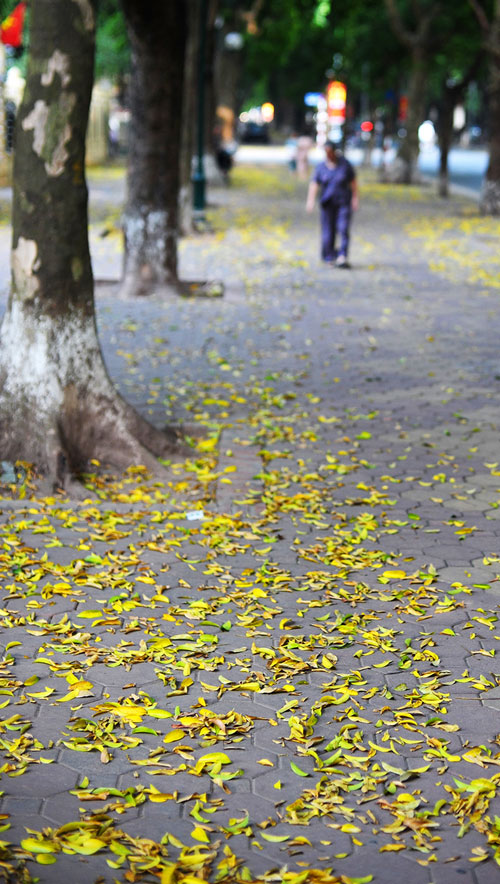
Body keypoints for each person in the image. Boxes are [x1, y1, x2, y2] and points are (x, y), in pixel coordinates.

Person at [306, 140, 359, 267]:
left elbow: (353, 183)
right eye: (326, 152)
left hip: (343, 202)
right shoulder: (321, 167)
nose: (328, 154)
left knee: (343, 228)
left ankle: (342, 256)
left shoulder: (345, 165)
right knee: (328, 231)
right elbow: (314, 184)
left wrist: (355, 199)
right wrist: (311, 200)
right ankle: (329, 256)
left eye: (330, 151)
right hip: (327, 203)